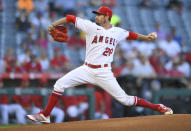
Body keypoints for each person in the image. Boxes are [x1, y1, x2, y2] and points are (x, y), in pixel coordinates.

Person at [27, 6, 173, 124]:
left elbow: (131, 34)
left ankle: (158, 107)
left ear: (107, 17)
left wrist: (146, 37)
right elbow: (70, 18)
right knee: (59, 84)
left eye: (99, 15)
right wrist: (53, 24)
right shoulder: (90, 27)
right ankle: (45, 115)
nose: (96, 16)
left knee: (126, 100)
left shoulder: (117, 32)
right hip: (86, 69)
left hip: (104, 73)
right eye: (96, 14)